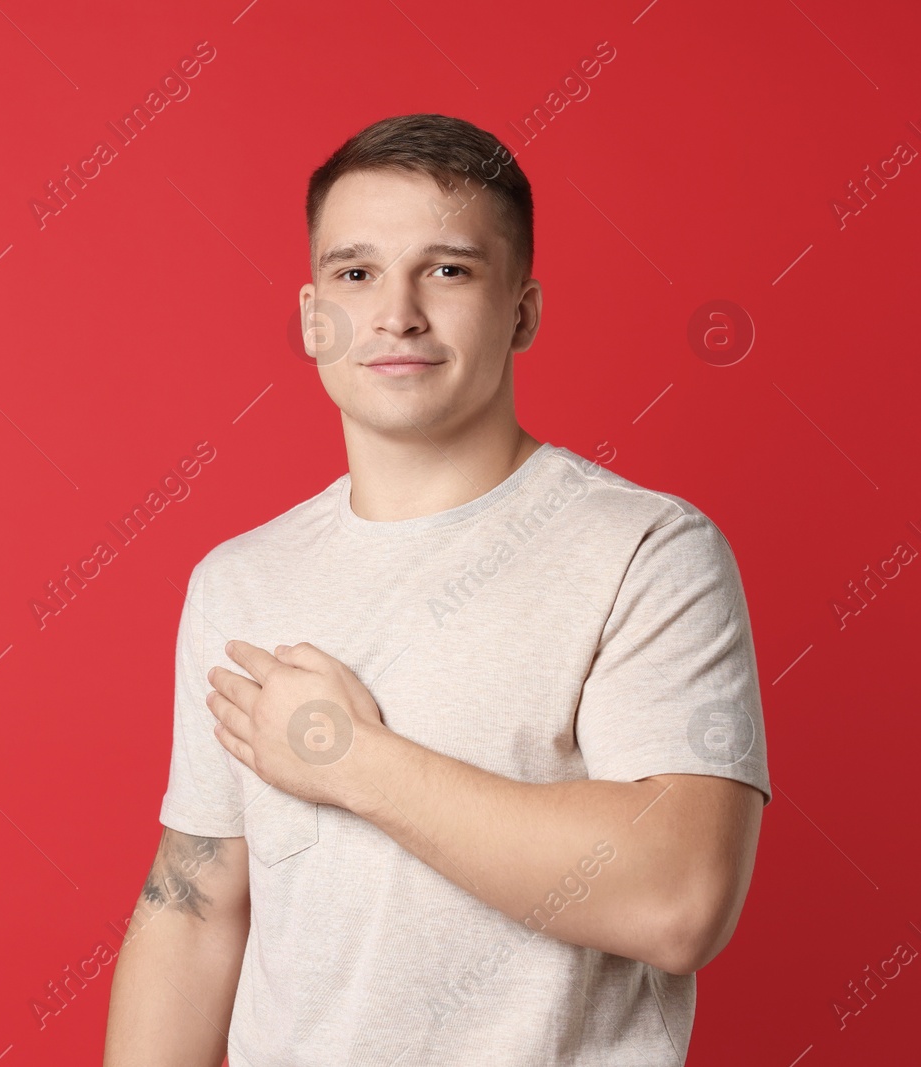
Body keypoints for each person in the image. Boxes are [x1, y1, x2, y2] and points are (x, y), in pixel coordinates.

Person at [102, 113, 770, 1066]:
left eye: (448, 269)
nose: (397, 313)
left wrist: (351, 764)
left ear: (523, 311)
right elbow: (196, 905)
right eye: (356, 272)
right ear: (310, 315)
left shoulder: (650, 551)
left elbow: (678, 897)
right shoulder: (239, 581)